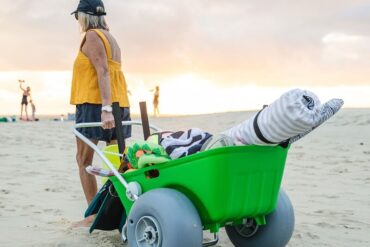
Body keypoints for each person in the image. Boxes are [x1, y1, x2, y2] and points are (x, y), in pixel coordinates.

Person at [70, 0, 131, 226]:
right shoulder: (111, 38)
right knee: (116, 162)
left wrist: (105, 109)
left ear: (84, 16)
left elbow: (103, 71)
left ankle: (94, 214)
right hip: (119, 103)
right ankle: (117, 210)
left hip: (96, 104)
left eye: (78, 17)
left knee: (83, 160)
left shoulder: (93, 36)